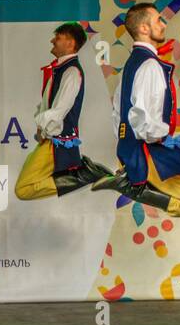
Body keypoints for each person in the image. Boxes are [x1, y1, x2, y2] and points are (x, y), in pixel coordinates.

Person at [91, 2, 180, 216]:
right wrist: (162, 137)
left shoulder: (132, 64)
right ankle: (128, 186)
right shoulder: (150, 65)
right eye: (158, 20)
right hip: (149, 150)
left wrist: (127, 141)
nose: (163, 24)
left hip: (132, 148)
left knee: (178, 198)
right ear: (143, 28)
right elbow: (140, 117)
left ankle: (129, 183)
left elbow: (119, 113)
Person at [14, 22, 112, 200]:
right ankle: (83, 174)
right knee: (24, 187)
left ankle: (83, 175)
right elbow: (49, 104)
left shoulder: (72, 71)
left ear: (70, 43)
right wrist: (42, 127)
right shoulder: (61, 70)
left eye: (58, 37)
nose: (52, 40)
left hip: (56, 142)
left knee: (23, 189)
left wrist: (43, 126)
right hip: (51, 139)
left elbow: (60, 110)